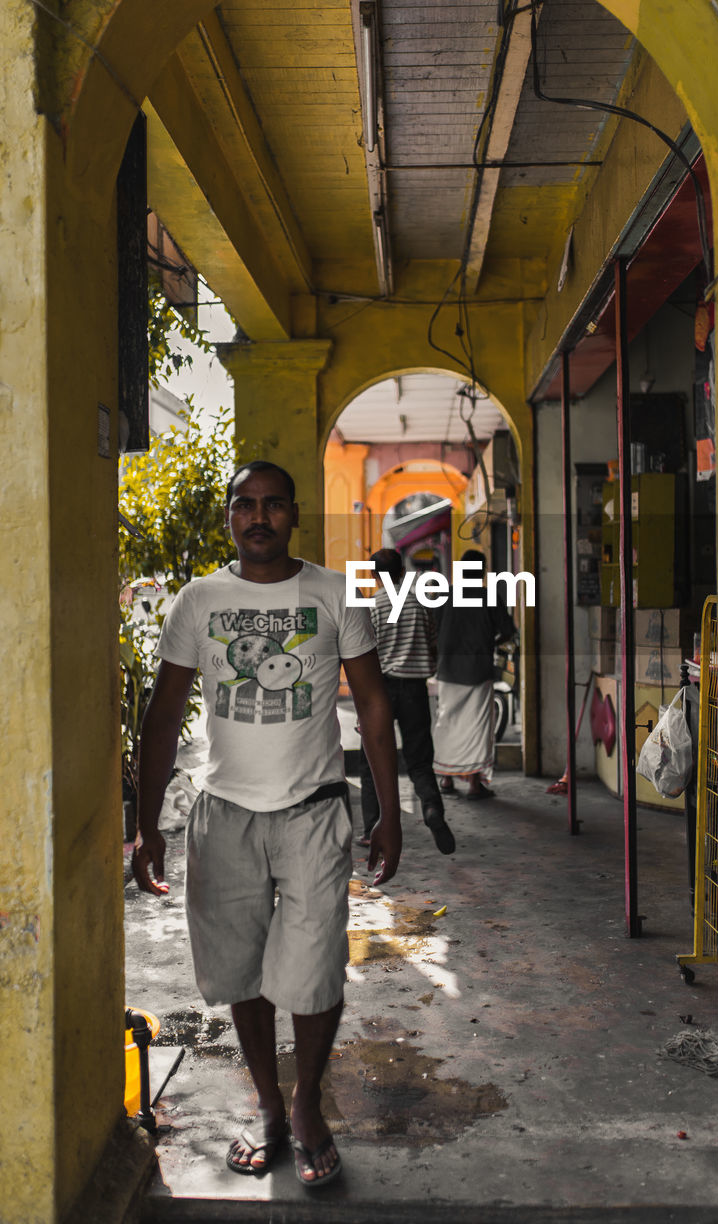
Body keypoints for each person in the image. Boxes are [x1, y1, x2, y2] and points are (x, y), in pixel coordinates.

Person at [131, 460, 401, 1188]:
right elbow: (162, 716)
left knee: (313, 973)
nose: (258, 518)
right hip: (223, 815)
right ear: (229, 517)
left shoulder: (333, 594)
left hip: (313, 810)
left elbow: (373, 705)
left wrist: (388, 812)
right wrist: (147, 821)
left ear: (293, 515)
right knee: (241, 972)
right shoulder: (199, 601)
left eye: (272, 505)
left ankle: (308, 1107)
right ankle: (267, 1105)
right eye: (244, 505)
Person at [357, 548, 455, 856]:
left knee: (371, 758)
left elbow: (365, 654)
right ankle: (431, 808)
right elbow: (432, 641)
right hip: (414, 688)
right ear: (402, 571)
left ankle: (371, 826)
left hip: (381, 690)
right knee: (419, 758)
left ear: (374, 576)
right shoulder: (419, 602)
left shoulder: (372, 605)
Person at [432, 549, 515, 798]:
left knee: (447, 722)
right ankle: (474, 784)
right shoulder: (489, 597)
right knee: (478, 727)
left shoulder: (444, 595)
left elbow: (432, 629)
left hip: (447, 670)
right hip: (478, 671)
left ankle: (446, 778)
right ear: (482, 571)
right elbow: (508, 631)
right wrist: (491, 639)